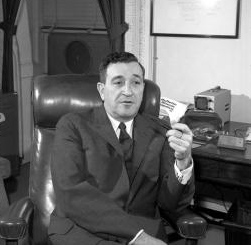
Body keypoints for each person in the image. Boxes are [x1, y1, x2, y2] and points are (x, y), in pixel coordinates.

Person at [49, 51, 194, 245]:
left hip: (145, 230)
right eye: (118, 82)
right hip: (82, 232)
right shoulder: (73, 126)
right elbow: (71, 193)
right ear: (102, 90)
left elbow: (171, 203)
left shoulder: (161, 132)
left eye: (136, 82)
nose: (128, 91)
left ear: (143, 88)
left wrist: (183, 162)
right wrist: (138, 237)